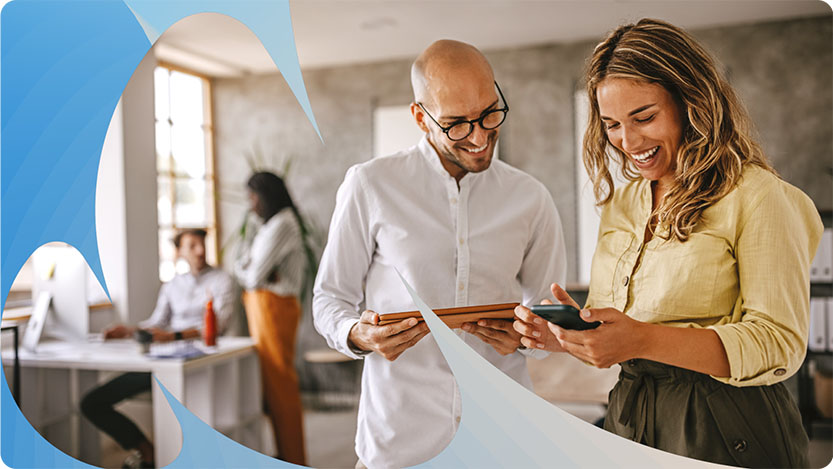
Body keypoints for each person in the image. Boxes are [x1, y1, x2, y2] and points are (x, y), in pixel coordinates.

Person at [513, 19, 823, 468]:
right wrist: (564, 336)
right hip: (630, 416)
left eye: (644, 117)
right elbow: (620, 330)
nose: (628, 141)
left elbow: (777, 344)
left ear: (691, 102)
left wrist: (641, 340)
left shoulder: (758, 196)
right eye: (612, 125)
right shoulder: (624, 203)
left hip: (726, 424)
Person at [313, 39, 567, 469]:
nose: (480, 136)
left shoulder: (531, 198)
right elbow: (329, 300)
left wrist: (530, 338)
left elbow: (550, 311)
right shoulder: (370, 185)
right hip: (400, 442)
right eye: (457, 124)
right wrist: (360, 335)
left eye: (489, 113)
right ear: (420, 117)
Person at [81, 228, 235, 469]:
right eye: (192, 245)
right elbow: (156, 324)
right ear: (179, 251)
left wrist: (172, 335)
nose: (201, 250)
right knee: (92, 403)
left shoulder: (222, 280)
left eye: (203, 243)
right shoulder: (173, 285)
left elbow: (219, 325)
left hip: (199, 363)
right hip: (164, 361)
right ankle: (146, 450)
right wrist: (130, 330)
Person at [234, 171, 307, 465]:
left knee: (281, 385)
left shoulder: (282, 224)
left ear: (265, 195)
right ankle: (285, 454)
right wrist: (251, 269)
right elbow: (248, 267)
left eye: (253, 196)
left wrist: (249, 270)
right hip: (265, 307)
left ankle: (293, 458)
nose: (251, 204)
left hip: (274, 308)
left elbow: (250, 276)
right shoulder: (268, 226)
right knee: (273, 386)